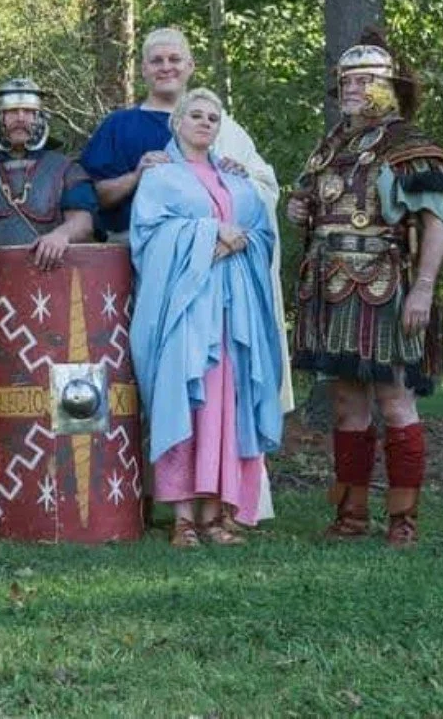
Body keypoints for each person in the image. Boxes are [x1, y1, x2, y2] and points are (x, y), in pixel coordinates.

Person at [81, 27, 291, 523]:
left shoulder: (231, 145)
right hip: (151, 283)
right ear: (144, 67)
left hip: (226, 296)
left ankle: (222, 504)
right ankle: (132, 498)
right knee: (151, 388)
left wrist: (234, 221)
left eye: (176, 58)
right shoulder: (124, 128)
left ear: (191, 65)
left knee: (223, 394)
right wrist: (204, 234)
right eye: (157, 59)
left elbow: (261, 202)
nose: (167, 67)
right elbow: (95, 199)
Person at [288, 32, 443, 546]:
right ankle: (352, 516)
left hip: (388, 284)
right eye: (347, 80)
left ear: (388, 86)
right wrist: (301, 213)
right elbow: (322, 208)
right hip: (331, 285)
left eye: (365, 80)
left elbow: (437, 221)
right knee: (346, 404)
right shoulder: (330, 145)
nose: (354, 88)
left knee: (396, 399)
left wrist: (423, 288)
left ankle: (403, 520)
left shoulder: (408, 144)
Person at [129, 89, 285, 547]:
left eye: (212, 118)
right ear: (176, 122)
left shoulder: (237, 181)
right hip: (185, 310)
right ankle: (182, 519)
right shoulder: (161, 178)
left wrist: (240, 241)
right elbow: (147, 238)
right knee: (185, 400)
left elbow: (260, 236)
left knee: (228, 405)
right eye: (195, 115)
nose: (204, 123)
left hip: (234, 313)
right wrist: (209, 233)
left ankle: (217, 516)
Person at [0, 77, 97, 269]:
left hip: (49, 281)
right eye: (11, 112)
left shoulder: (66, 170)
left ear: (38, 117)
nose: (20, 118)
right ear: (0, 118)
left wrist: (61, 235)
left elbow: (83, 223)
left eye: (28, 112)